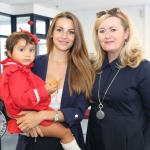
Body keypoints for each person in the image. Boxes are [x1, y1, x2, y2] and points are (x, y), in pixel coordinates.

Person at [1, 11, 95, 150]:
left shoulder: (84, 70)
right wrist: (21, 119)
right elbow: (4, 99)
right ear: (51, 33)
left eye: (70, 32)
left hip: (67, 142)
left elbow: (79, 111)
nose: (64, 36)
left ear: (76, 37)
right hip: (31, 140)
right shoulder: (30, 64)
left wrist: (41, 115)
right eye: (59, 30)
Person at [86, 8, 150, 150]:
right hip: (95, 140)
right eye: (102, 31)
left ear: (126, 33)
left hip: (129, 143)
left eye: (113, 30)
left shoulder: (142, 68)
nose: (107, 35)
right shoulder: (93, 67)